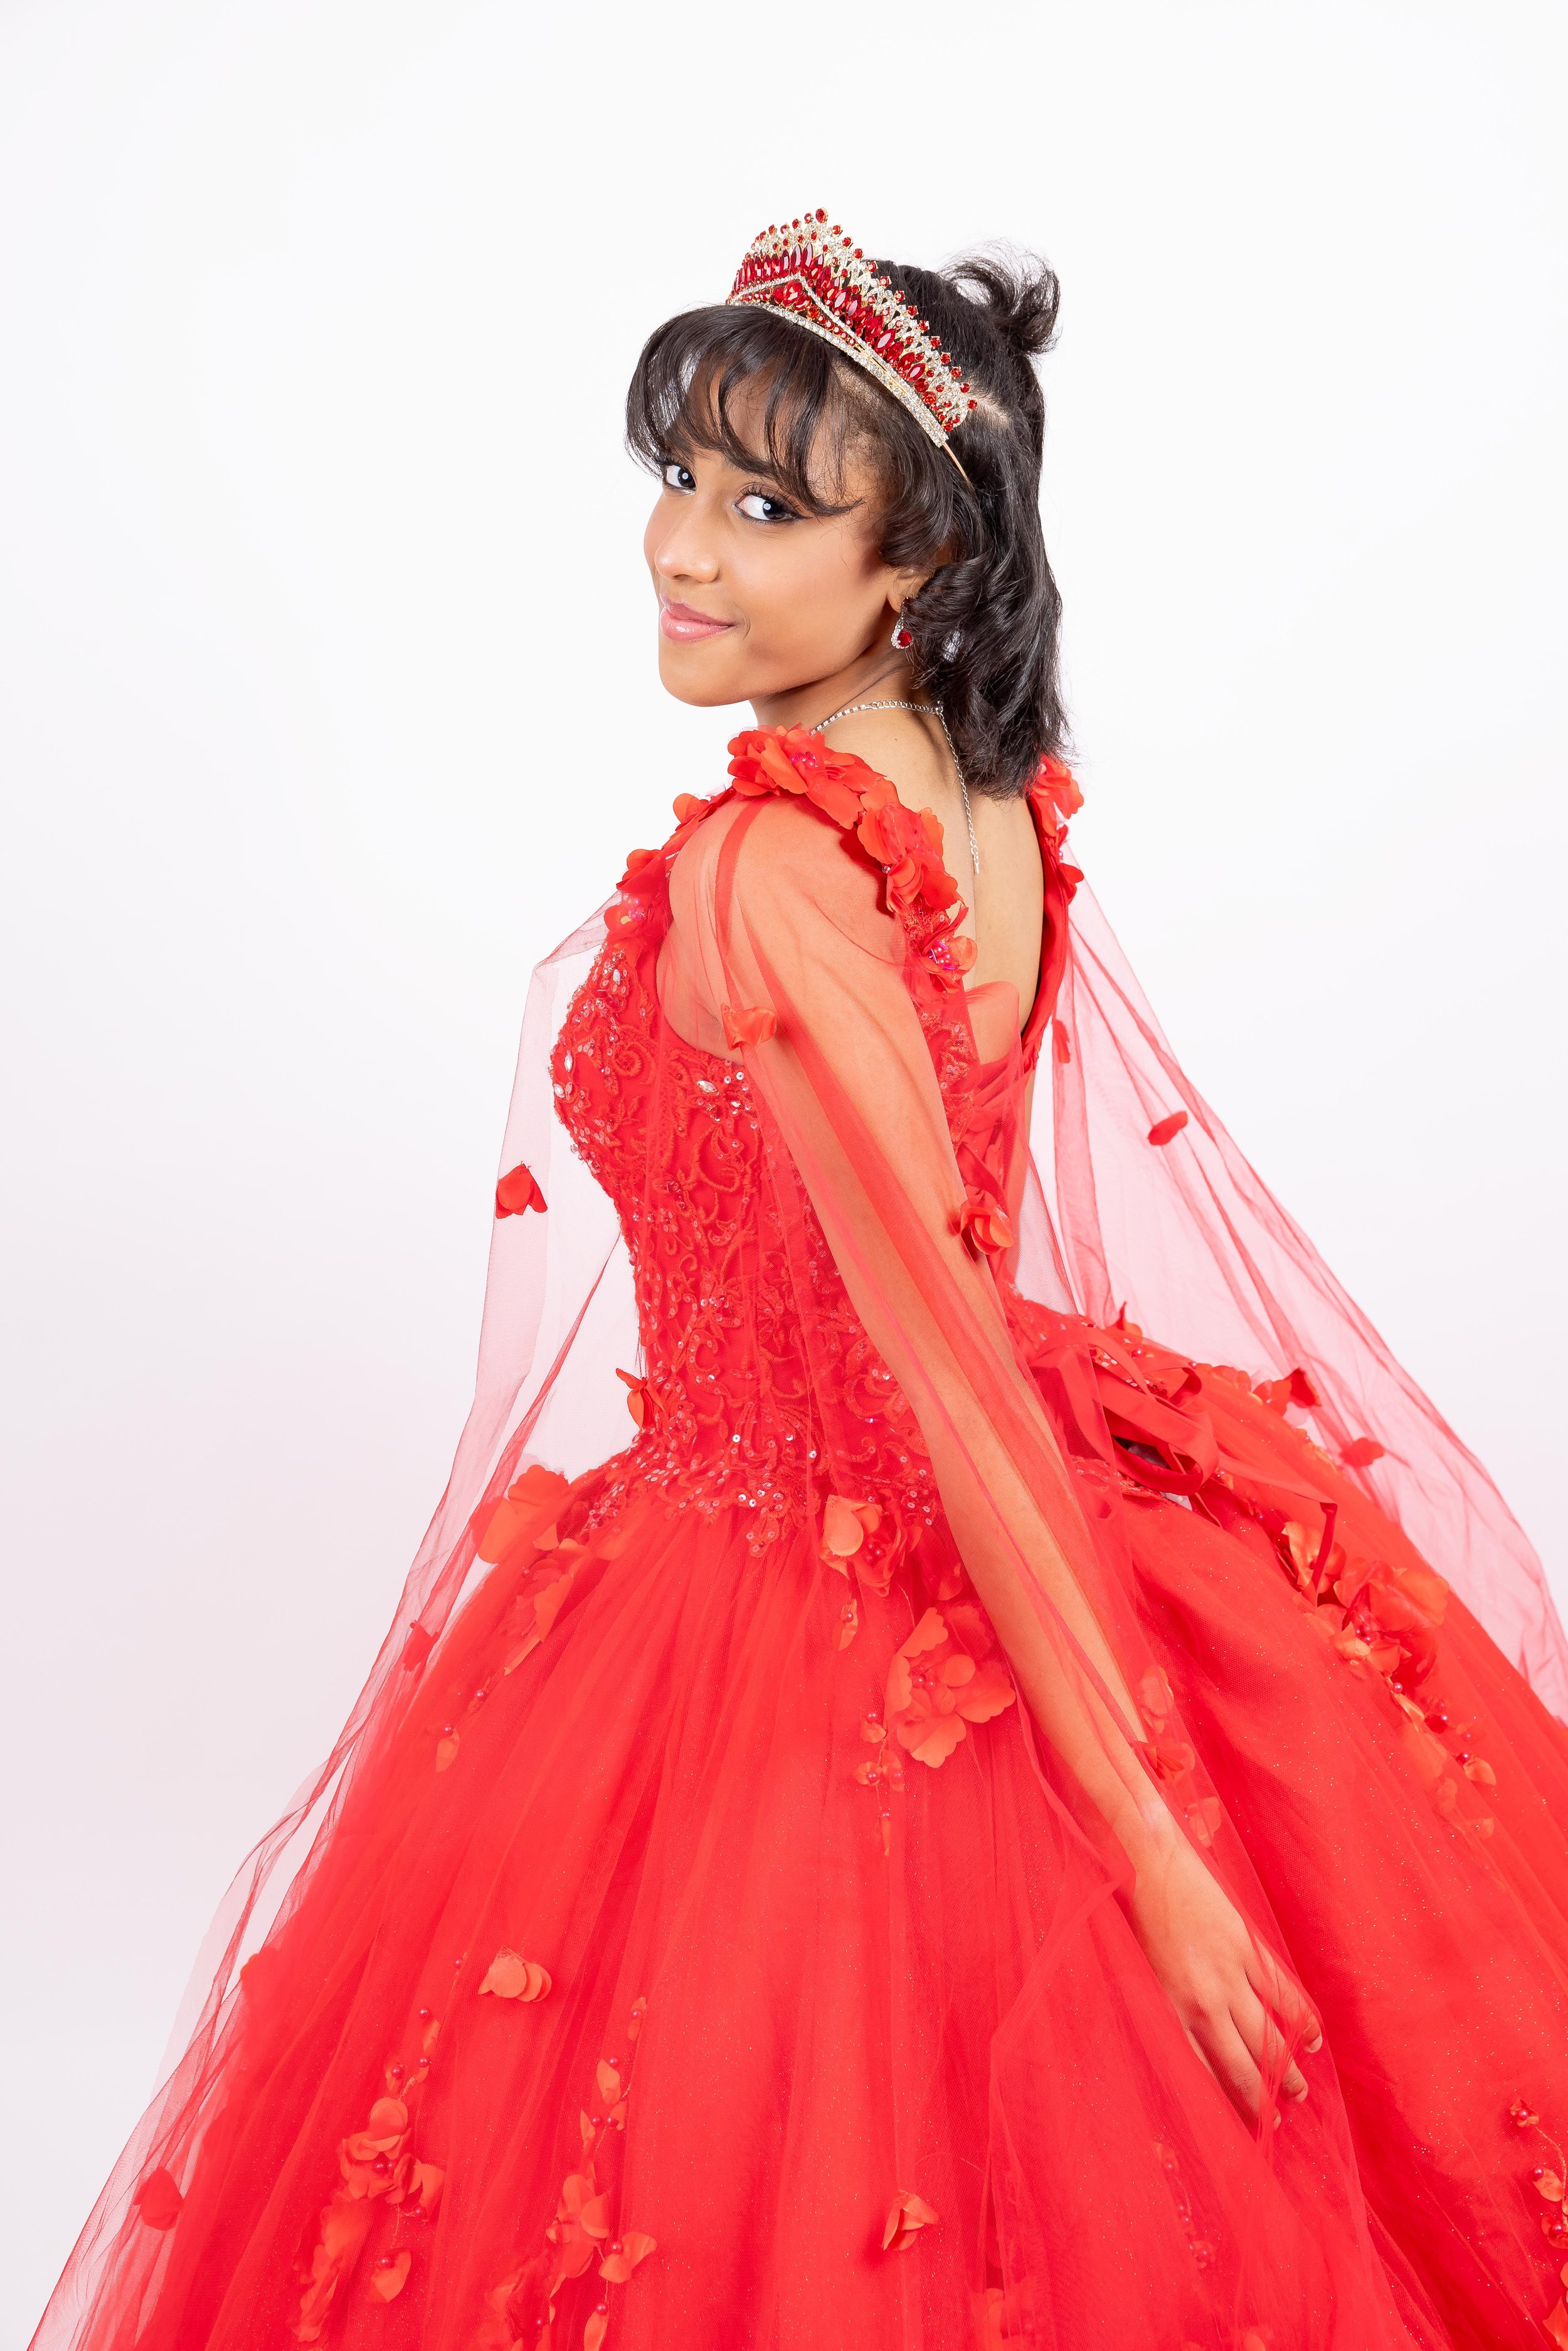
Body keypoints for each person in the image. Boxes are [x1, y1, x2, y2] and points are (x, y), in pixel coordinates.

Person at [31, 210, 1568, 2351]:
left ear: (917, 558)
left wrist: (1145, 1835)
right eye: (680, 479)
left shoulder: (769, 866)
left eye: (766, 506)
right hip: (1014, 1494)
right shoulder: (998, 796)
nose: (685, 547)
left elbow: (935, 1377)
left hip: (795, 1579)